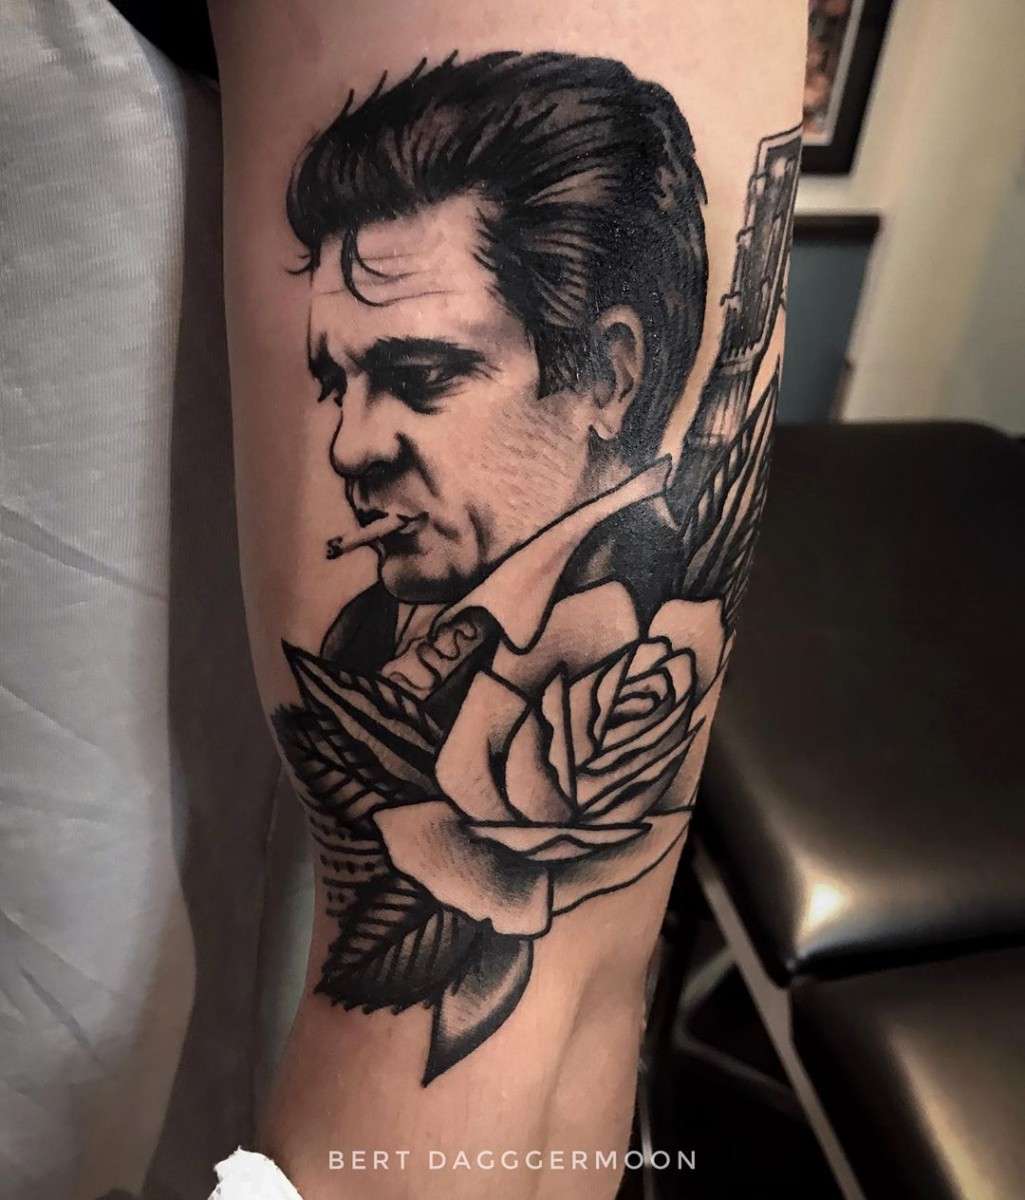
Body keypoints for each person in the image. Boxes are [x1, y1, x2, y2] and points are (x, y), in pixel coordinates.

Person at [208, 4, 805, 1198]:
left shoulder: (622, 620)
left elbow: (491, 1104)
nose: (350, 446)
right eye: (336, 381)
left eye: (419, 374)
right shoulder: (380, 618)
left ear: (608, 374)